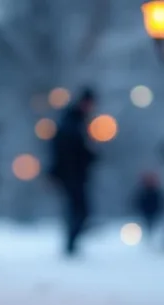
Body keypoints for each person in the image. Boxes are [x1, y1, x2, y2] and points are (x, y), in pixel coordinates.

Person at [48, 88, 97, 256]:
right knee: (78, 210)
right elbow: (68, 149)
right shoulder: (72, 121)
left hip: (73, 173)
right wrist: (87, 156)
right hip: (71, 174)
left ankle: (72, 243)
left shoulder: (75, 120)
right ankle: (71, 243)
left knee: (77, 210)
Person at [134, 171, 163, 236]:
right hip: (146, 213)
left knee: (152, 225)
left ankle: (151, 235)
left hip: (153, 212)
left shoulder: (155, 192)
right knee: (148, 225)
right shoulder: (144, 192)